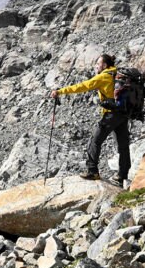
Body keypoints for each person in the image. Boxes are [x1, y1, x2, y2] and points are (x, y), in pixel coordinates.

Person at [50, 53, 131, 184]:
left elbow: (83, 86)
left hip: (111, 114)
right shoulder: (116, 73)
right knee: (123, 145)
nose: (96, 66)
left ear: (104, 65)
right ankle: (123, 175)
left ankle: (92, 171)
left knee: (95, 140)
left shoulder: (103, 76)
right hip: (123, 113)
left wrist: (60, 91)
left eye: (98, 64)